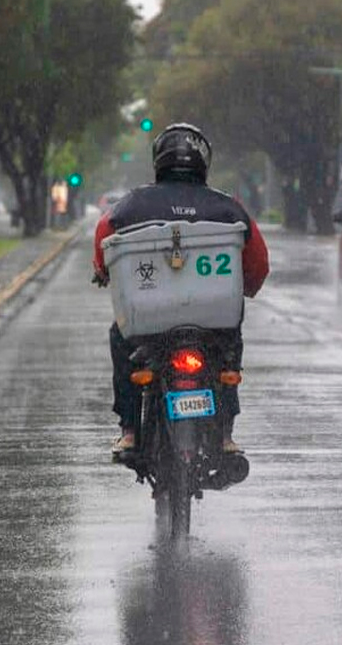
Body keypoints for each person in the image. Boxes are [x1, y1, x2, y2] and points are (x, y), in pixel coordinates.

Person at [92, 123, 270, 455]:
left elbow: (104, 241)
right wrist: (250, 286)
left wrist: (102, 271)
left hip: (148, 324)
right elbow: (258, 262)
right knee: (229, 351)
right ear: (204, 162)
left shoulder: (130, 205)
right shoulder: (229, 207)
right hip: (214, 324)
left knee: (120, 336)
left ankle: (130, 430)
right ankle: (224, 435)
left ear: (159, 160)